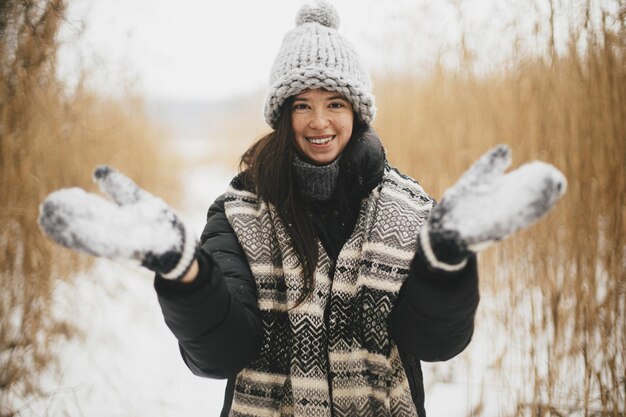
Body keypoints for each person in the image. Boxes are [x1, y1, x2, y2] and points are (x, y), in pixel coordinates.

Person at [38, 2, 566, 416]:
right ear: (281, 115)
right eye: (302, 105)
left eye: (335, 103)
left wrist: (447, 261)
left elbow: (434, 343)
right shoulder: (238, 216)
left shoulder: (408, 211)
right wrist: (184, 274)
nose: (319, 121)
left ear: (356, 112)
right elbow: (220, 353)